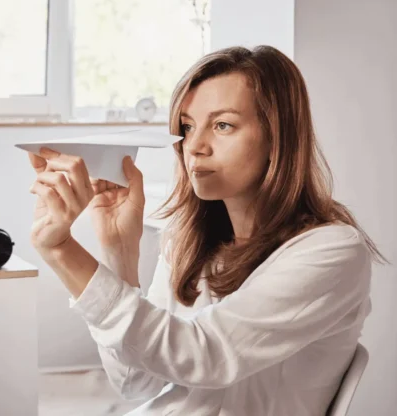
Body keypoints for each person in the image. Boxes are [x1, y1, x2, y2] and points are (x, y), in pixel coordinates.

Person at [27, 45, 386, 415]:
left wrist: (62, 251)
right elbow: (136, 382)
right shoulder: (191, 241)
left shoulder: (332, 252)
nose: (194, 147)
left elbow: (203, 355)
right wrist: (120, 253)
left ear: (278, 138)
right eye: (187, 127)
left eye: (223, 125)